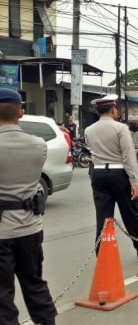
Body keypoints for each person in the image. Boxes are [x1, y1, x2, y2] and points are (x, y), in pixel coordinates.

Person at [0, 89, 57, 325]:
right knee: (35, 284)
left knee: (2, 295)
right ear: (21, 113)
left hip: (2, 233)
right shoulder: (39, 145)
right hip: (30, 229)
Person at [84, 94, 138, 260]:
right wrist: (134, 181)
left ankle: (102, 253)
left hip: (99, 173)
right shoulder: (121, 128)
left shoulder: (89, 130)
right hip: (119, 174)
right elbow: (128, 156)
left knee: (103, 216)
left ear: (99, 111)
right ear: (113, 109)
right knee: (130, 214)